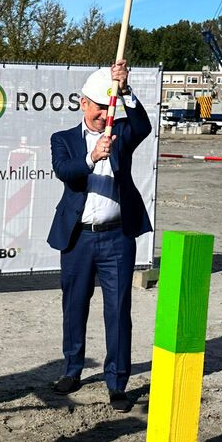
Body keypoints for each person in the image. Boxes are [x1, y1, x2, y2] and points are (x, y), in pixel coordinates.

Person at [46, 59, 152, 412]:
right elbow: (65, 171)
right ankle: (72, 369)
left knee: (118, 311)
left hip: (117, 238)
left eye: (109, 107)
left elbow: (143, 126)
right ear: (83, 103)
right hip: (77, 239)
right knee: (74, 306)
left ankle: (117, 382)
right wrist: (92, 158)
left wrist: (126, 89)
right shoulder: (63, 139)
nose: (104, 114)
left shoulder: (121, 133)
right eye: (98, 107)